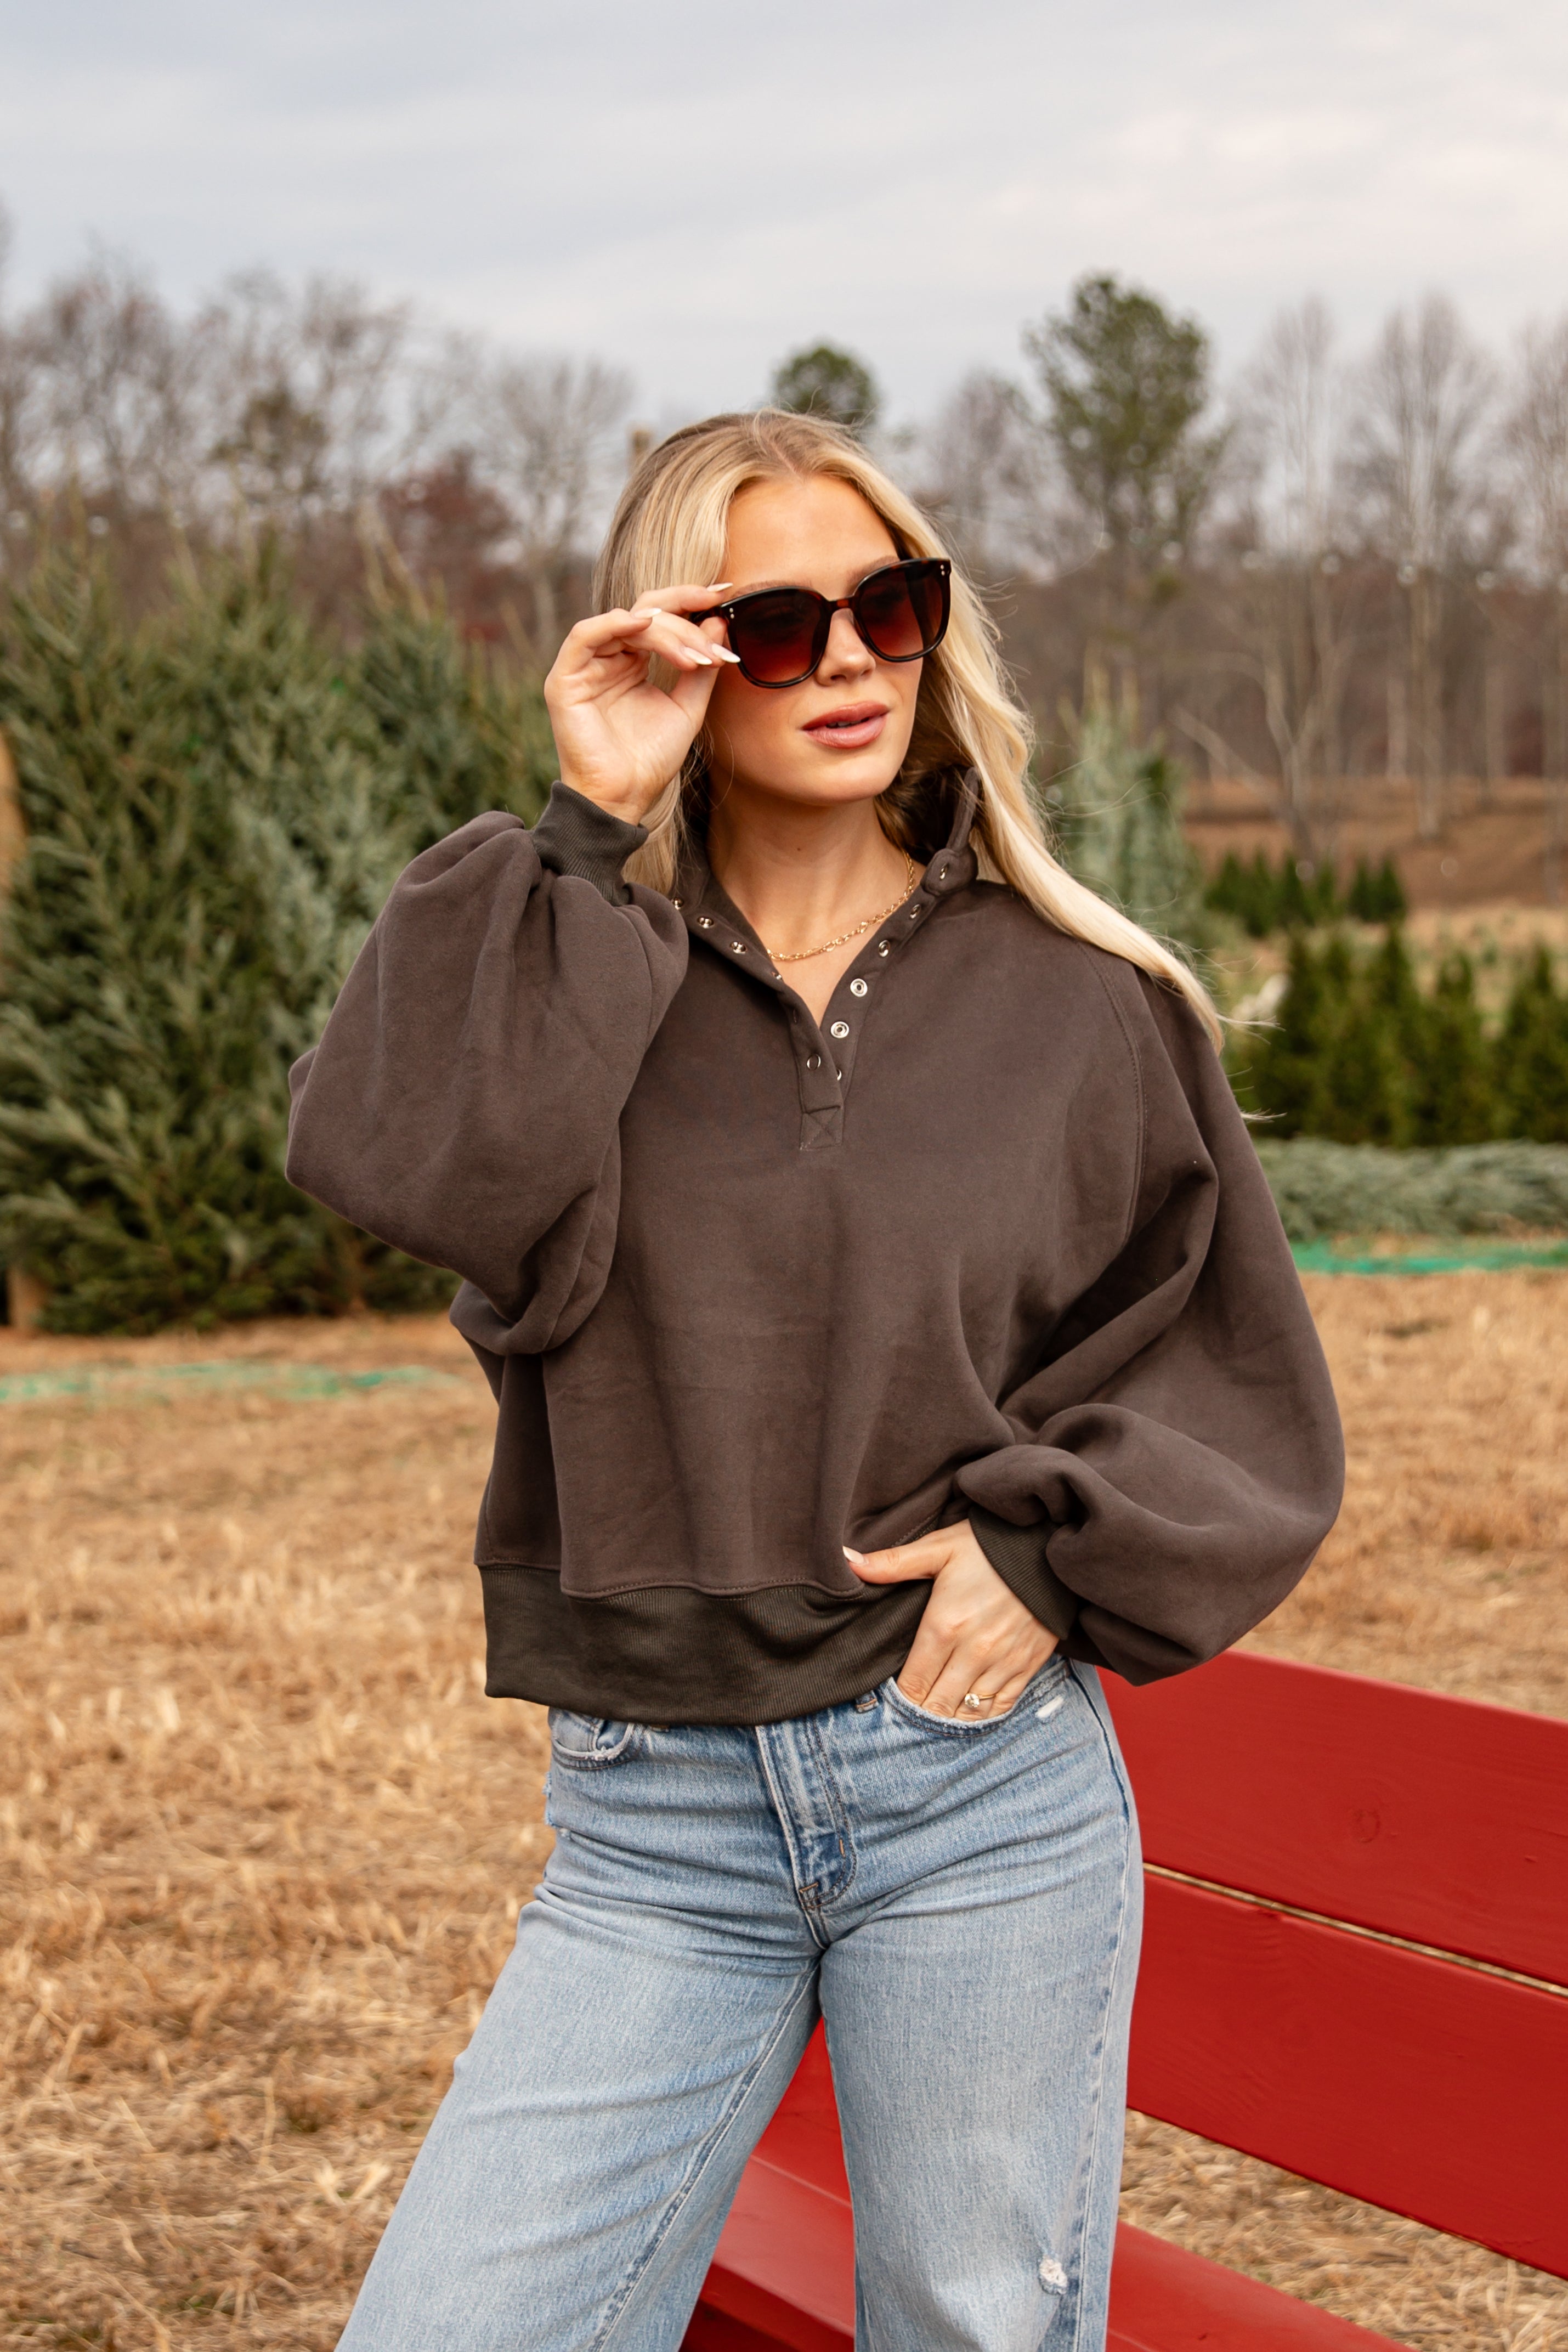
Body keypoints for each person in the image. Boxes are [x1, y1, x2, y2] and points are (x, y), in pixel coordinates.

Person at [286, 409, 1343, 2352]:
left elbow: (1224, 1357)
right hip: (653, 1814)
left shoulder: (1081, 1001)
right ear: (676, 646)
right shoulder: (577, 948)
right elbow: (403, 1170)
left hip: (974, 1793)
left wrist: (1045, 1551)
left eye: (890, 604)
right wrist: (590, 822)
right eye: (775, 623)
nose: (849, 659)